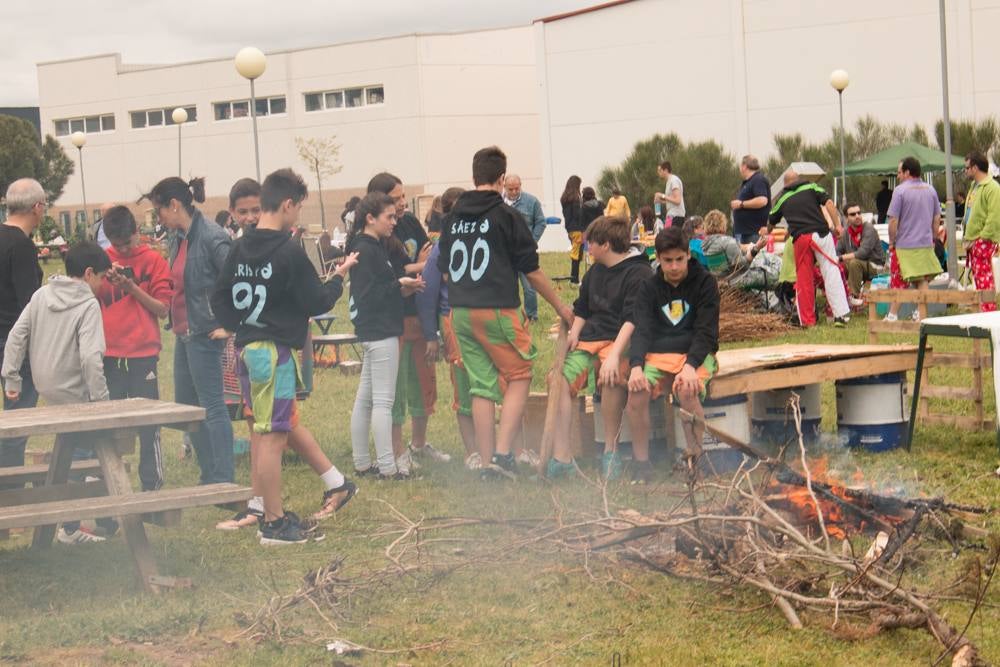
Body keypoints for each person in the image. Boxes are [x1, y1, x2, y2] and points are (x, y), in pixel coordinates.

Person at [212, 168, 358, 545]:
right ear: (288, 204)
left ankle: (265, 511)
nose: (297, 216)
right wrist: (340, 277)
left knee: (265, 432)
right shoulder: (287, 250)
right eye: (298, 208)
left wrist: (235, 325)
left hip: (246, 349)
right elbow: (317, 301)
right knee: (274, 437)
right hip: (274, 352)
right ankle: (274, 525)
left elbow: (220, 296)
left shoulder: (240, 246)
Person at [437, 146, 574, 480]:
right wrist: (560, 306)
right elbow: (532, 270)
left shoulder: (452, 217)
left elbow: (443, 271)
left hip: (460, 313)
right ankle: (502, 454)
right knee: (519, 375)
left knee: (482, 385)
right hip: (497, 308)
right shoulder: (506, 215)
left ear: (474, 177)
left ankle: (487, 465)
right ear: (501, 179)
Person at [3, 241, 112, 544]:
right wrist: (103, 404)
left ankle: (78, 514)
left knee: (75, 447)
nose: (102, 285)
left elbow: (15, 337)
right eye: (102, 277)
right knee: (91, 448)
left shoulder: (41, 295)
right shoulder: (88, 304)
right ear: (89, 274)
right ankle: (70, 523)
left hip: (44, 383)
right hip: (74, 389)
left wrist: (11, 379)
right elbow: (91, 358)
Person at [145, 176, 235, 484]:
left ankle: (222, 476)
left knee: (212, 406)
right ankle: (209, 471)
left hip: (204, 333)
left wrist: (229, 325)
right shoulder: (178, 237)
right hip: (183, 333)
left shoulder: (212, 236)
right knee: (186, 407)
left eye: (159, 211)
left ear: (174, 205)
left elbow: (235, 282)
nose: (158, 219)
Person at [549, 216, 652, 482]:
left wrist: (615, 355)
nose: (587, 249)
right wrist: (574, 333)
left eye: (589, 244)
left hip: (621, 340)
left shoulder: (638, 272)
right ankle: (562, 457)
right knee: (557, 379)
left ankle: (611, 452)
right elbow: (582, 308)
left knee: (611, 377)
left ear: (605, 244)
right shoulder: (595, 271)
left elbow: (633, 318)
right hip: (591, 340)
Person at [367, 172, 444, 472]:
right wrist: (416, 266)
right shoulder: (376, 234)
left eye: (402, 197)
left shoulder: (409, 223)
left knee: (424, 381)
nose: (402, 204)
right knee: (396, 387)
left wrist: (413, 268)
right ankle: (396, 449)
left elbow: (429, 257)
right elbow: (396, 271)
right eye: (396, 198)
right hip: (393, 319)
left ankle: (419, 443)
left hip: (419, 313)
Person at [626, 226, 719, 470]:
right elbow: (641, 330)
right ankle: (641, 463)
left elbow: (706, 332)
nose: (674, 266)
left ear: (689, 254)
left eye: (679, 259)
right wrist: (636, 367)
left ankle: (696, 460)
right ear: (657, 258)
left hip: (695, 354)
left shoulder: (705, 283)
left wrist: (690, 366)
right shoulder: (648, 287)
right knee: (636, 392)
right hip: (658, 354)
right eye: (667, 261)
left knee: (687, 389)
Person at [347, 192, 425, 479]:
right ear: (371, 218)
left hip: (374, 330)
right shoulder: (367, 249)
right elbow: (370, 295)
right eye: (389, 217)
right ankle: (388, 467)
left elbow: (377, 289)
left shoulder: (369, 245)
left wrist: (402, 287)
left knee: (366, 398)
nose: (394, 222)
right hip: (380, 333)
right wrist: (399, 285)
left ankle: (363, 462)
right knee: (383, 401)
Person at [98, 206, 173, 492]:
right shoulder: (102, 262)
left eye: (128, 243)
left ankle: (152, 488)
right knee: (109, 426)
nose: (124, 250)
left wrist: (131, 287)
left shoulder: (153, 261)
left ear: (137, 233)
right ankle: (112, 488)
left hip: (143, 354)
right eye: (117, 246)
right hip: (110, 355)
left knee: (149, 425)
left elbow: (162, 309)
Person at [416, 187, 479, 469]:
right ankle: (472, 452)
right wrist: (431, 335)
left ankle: (493, 448)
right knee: (464, 386)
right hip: (453, 318)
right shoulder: (441, 247)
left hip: (481, 316)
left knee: (484, 384)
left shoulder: (479, 239)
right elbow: (426, 292)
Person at [0, 179, 45, 481]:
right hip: (14, 343)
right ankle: (12, 493)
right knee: (17, 421)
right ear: (37, 208)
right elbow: (30, 303)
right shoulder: (21, 246)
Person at [768, 169, 850, 328]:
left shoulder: (782, 198)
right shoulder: (812, 187)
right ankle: (840, 316)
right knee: (831, 271)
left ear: (785, 184)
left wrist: (767, 230)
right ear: (798, 179)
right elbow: (829, 203)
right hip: (821, 234)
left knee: (804, 280)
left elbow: (771, 221)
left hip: (801, 239)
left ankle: (807, 321)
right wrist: (838, 226)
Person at [884, 158, 942, 322]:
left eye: (900, 172)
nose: (898, 175)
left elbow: (893, 220)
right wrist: (934, 237)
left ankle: (892, 315)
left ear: (908, 172)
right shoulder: (931, 190)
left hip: (904, 246)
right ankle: (920, 313)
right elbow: (937, 217)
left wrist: (891, 241)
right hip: (925, 244)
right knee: (922, 279)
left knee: (898, 280)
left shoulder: (900, 191)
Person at [503, 174, 547, 321]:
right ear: (504, 187)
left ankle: (531, 315)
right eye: (511, 189)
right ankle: (512, 316)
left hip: (524, 253)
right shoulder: (498, 203)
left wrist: (532, 242)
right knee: (508, 286)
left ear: (521, 185)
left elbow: (541, 222)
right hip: (504, 253)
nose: (514, 192)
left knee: (529, 287)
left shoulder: (531, 201)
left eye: (517, 188)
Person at [962, 150, 1000, 312]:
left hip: (982, 240)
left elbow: (994, 216)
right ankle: (984, 310)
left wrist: (983, 239)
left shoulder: (992, 188)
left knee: (985, 278)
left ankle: (989, 312)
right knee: (979, 278)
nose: (966, 171)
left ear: (975, 168)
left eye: (967, 168)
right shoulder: (974, 187)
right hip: (973, 239)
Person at [836, 202, 885, 305]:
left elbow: (863, 252)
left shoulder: (868, 228)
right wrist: (837, 259)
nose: (857, 216)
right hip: (859, 265)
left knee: (853, 263)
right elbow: (837, 250)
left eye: (859, 213)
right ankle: (839, 297)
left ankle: (854, 297)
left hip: (875, 265)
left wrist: (842, 257)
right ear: (846, 218)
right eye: (853, 214)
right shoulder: (846, 232)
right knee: (836, 266)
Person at [730, 155, 770, 244]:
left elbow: (762, 200)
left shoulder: (758, 179)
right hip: (746, 232)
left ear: (744, 166)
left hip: (753, 233)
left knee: (754, 257)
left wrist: (741, 204)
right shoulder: (749, 182)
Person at [701, 209, 748, 275]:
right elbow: (742, 266)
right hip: (734, 280)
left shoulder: (706, 243)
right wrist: (752, 253)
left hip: (717, 280)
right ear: (723, 224)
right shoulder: (727, 242)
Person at [561, 175, 584, 284]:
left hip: (569, 228)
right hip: (578, 229)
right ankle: (574, 278)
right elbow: (577, 214)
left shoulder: (564, 197)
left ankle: (574, 277)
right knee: (577, 254)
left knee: (576, 252)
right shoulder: (576, 198)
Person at [654, 161, 686, 228]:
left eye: (660, 170)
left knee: (670, 238)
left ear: (665, 170)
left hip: (676, 217)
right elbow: (672, 201)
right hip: (671, 216)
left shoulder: (674, 180)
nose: (658, 173)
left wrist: (662, 195)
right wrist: (661, 201)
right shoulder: (669, 181)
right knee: (666, 237)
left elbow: (677, 200)